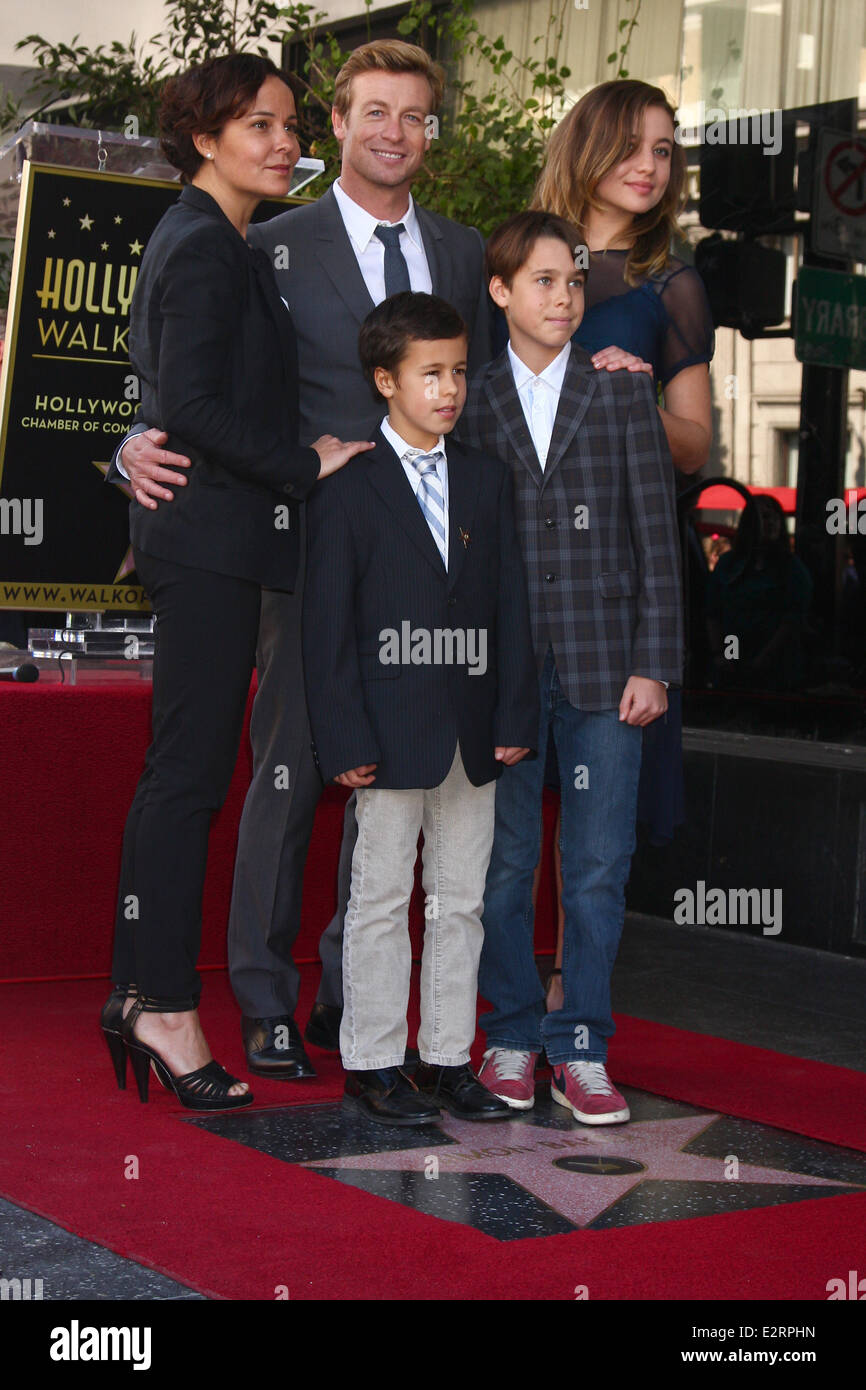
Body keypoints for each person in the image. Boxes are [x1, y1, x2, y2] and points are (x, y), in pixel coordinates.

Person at [110, 41, 493, 1073]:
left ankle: (353, 995)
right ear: (341, 122)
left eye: (413, 116)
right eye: (373, 111)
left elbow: (486, 400)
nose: (393, 133)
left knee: (404, 776)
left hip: (431, 569)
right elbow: (182, 377)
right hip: (295, 546)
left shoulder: (461, 254)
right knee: (286, 772)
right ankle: (263, 998)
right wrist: (128, 441)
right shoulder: (260, 239)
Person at [102, 53, 369, 1111]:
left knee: (188, 771)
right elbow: (197, 408)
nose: (281, 141)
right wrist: (312, 461)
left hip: (213, 541)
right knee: (187, 775)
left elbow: (172, 390)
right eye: (256, 124)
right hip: (208, 543)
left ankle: (143, 992)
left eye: (289, 124)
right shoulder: (207, 247)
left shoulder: (215, 239)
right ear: (204, 136)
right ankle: (160, 1003)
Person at [458, 210, 683, 1123]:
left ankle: (582, 1043)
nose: (562, 297)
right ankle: (510, 1036)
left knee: (597, 864)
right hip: (502, 675)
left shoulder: (623, 393)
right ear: (501, 291)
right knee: (503, 865)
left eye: (574, 282)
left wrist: (655, 662)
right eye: (542, 280)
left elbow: (655, 540)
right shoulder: (466, 401)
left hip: (607, 668)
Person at [302, 291, 538, 1125]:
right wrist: (342, 738)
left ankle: (443, 1057)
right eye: (429, 374)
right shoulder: (347, 488)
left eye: (459, 372)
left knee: (460, 899)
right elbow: (325, 628)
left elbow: (510, 607)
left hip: (473, 734)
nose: (449, 389)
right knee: (376, 901)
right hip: (385, 733)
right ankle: (371, 1062)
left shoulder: (485, 478)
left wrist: (515, 716)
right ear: (384, 380)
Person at [530, 78, 715, 1008]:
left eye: (666, 149)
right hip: (520, 557)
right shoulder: (518, 255)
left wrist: (638, 396)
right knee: (501, 789)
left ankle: (570, 997)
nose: (651, 165)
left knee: (601, 807)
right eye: (633, 145)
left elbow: (697, 446)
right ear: (588, 145)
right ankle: (461, 1004)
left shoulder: (667, 282)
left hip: (624, 568)